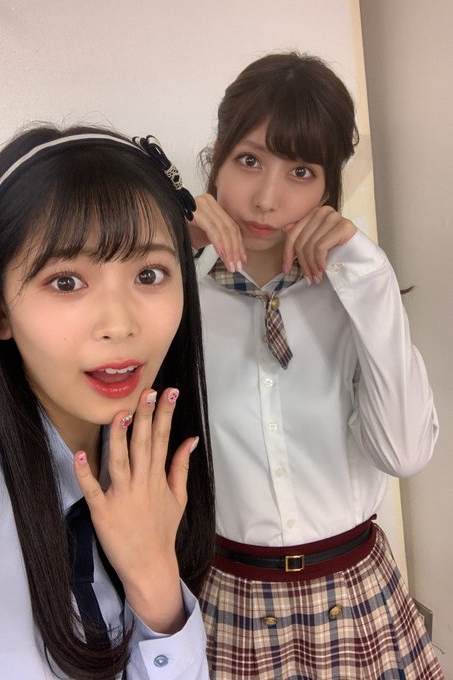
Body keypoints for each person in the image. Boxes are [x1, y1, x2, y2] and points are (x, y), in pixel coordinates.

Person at [189, 52, 443, 679]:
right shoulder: (174, 297)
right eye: (249, 160)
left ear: (328, 187)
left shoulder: (355, 297)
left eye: (300, 171)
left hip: (358, 597)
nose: (266, 199)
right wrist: (159, 252)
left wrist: (372, 279)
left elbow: (404, 454)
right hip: (231, 600)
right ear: (217, 157)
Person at [0, 125, 215, 679]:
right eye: (66, 282)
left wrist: (155, 582)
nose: (119, 324)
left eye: (149, 274)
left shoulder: (152, 479)